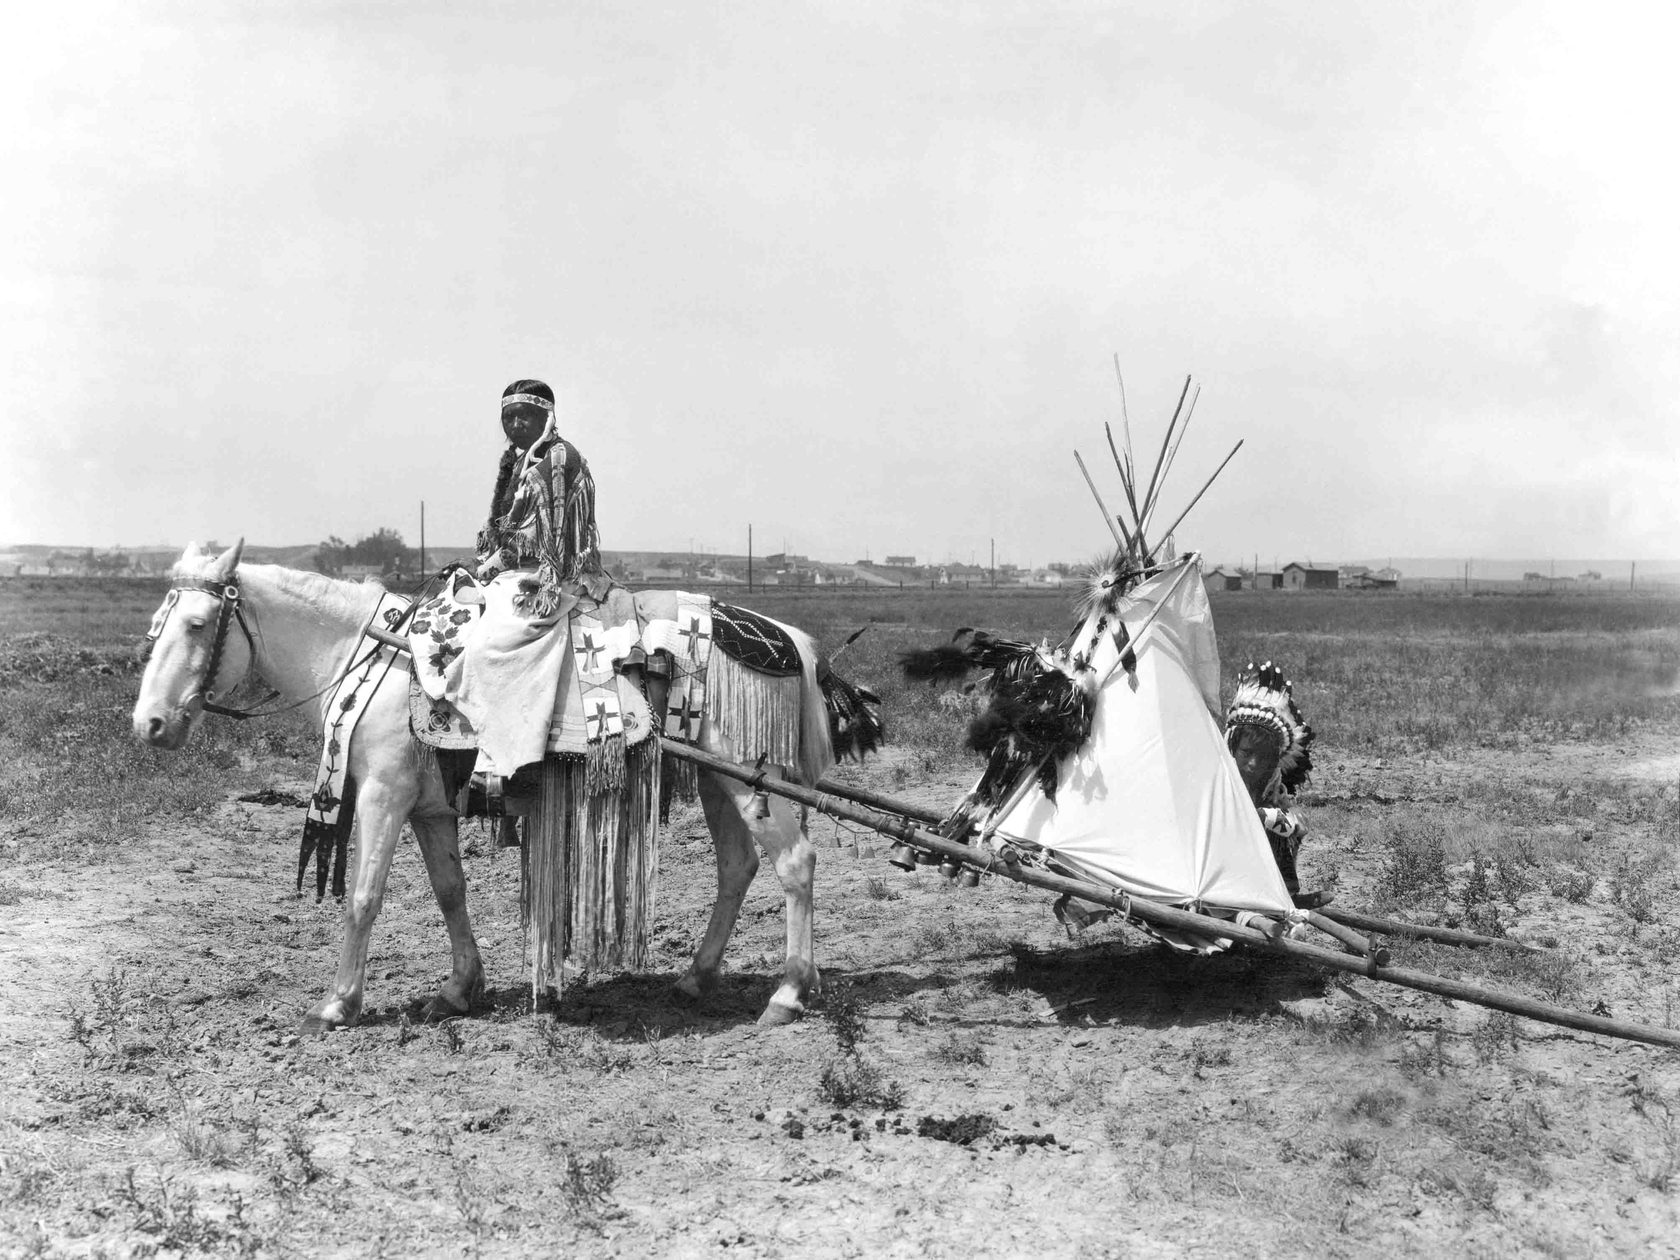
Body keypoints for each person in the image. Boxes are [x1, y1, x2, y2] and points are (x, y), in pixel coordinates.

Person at [1224, 660, 1325, 909]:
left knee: (1282, 824)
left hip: (1256, 872)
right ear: (1232, 748)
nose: (1253, 764)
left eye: (1263, 757)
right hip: (1220, 868)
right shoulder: (1219, 777)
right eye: (1246, 753)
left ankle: (1285, 893)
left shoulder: (1272, 784)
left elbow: (1296, 824)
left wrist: (1264, 816)